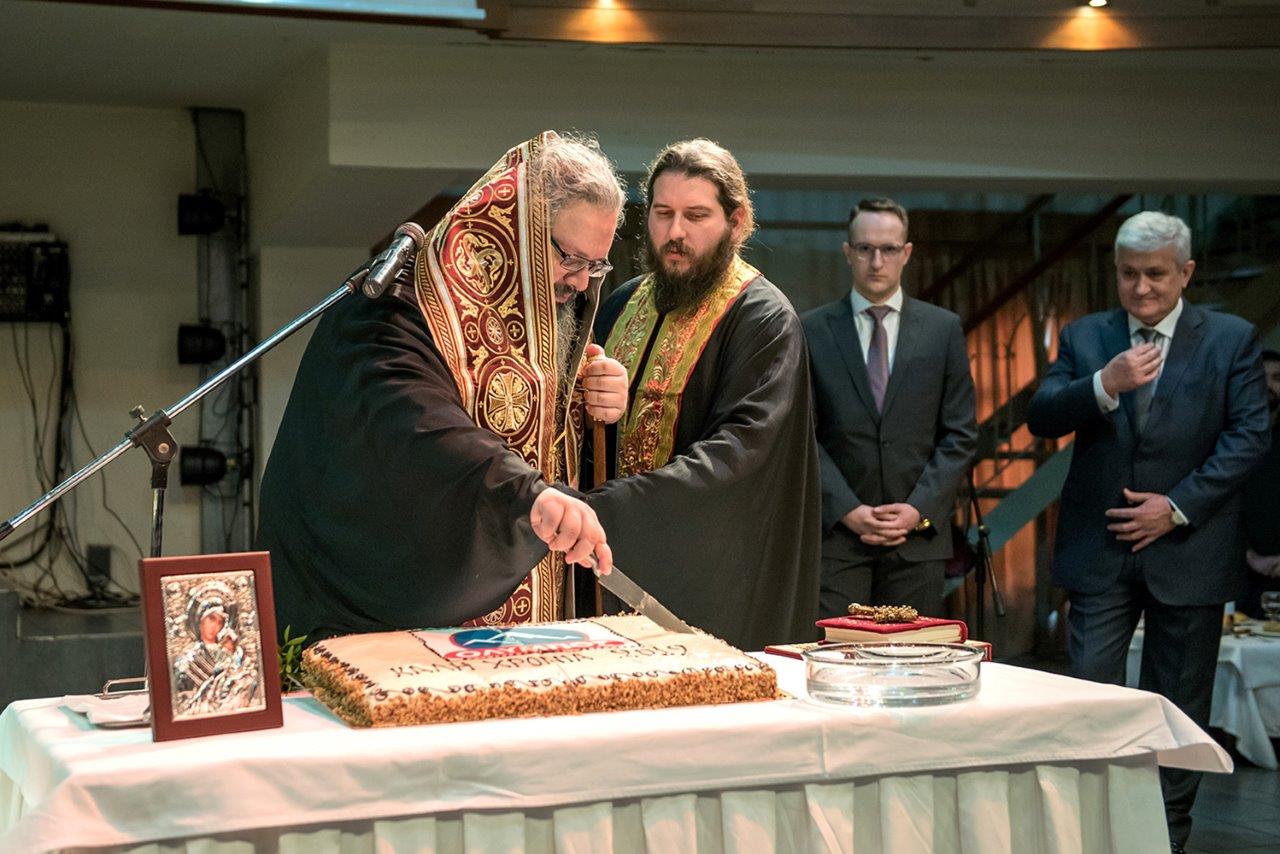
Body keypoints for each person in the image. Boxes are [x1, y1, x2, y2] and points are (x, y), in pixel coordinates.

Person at [257, 132, 628, 643]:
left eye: (597, 265)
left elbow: (547, 445)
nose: (583, 283)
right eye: (571, 259)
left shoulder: (549, 314)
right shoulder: (399, 303)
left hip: (527, 628)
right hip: (388, 613)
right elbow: (418, 422)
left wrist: (596, 404)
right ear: (513, 233)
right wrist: (526, 494)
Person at [1026, 211, 1270, 852]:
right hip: (1099, 551)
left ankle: (1165, 836)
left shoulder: (1231, 338)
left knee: (1180, 703)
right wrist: (1102, 384)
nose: (1141, 288)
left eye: (1156, 274)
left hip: (1189, 548)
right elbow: (1041, 416)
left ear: (1185, 272)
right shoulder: (1086, 335)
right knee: (1089, 696)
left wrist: (1177, 506)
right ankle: (1093, 829)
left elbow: (1249, 436)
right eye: (1129, 274)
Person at [585, 138, 820, 651]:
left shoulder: (763, 318)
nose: (675, 233)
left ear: (736, 222)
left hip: (712, 573)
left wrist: (613, 507)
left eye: (696, 216)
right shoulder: (621, 302)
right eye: (662, 213)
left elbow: (740, 453)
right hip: (603, 558)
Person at [803, 197, 977, 619]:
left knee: (913, 655)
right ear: (848, 253)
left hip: (917, 540)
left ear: (907, 252)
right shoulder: (810, 330)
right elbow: (802, 435)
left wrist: (918, 510)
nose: (876, 261)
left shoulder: (942, 330)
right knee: (838, 652)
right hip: (837, 540)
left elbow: (960, 433)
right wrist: (847, 509)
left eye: (888, 249)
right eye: (865, 248)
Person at [1239, 349, 1280, 618]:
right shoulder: (1228, 441)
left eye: (1277, 378)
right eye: (1259, 378)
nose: (1267, 385)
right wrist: (1249, 556)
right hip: (1238, 577)